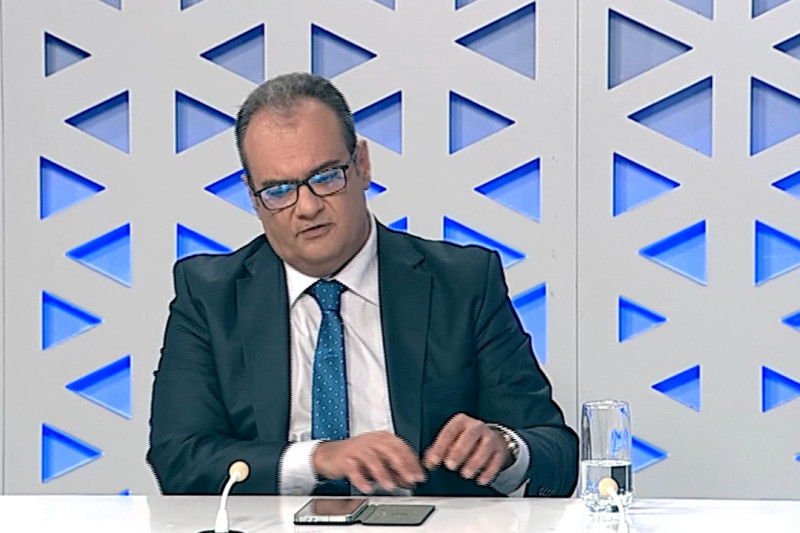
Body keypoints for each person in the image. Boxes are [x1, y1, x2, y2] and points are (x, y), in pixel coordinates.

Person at [147, 72, 578, 497]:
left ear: (363, 166)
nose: (307, 207)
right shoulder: (209, 295)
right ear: (252, 196)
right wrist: (317, 459)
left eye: (325, 177)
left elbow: (555, 450)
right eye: (278, 190)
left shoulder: (462, 282)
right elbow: (179, 459)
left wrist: (505, 448)